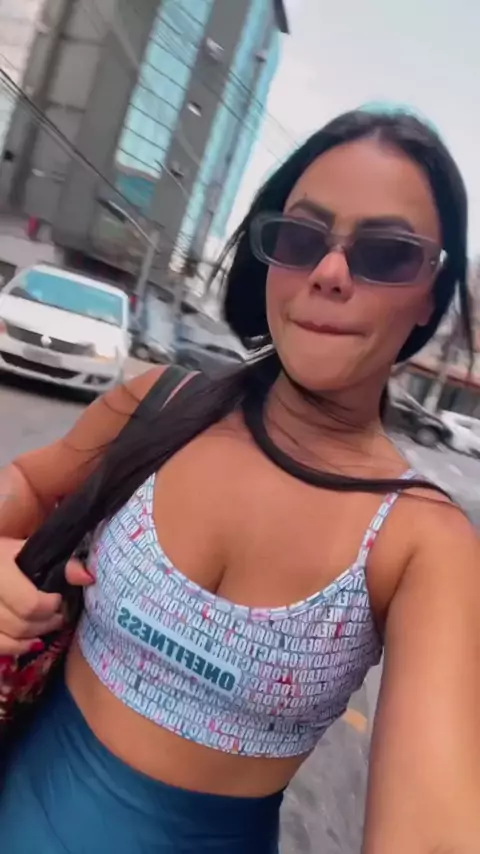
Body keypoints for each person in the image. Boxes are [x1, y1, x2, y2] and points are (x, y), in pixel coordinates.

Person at [0, 109, 479, 854]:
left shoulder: (423, 544)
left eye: (385, 254)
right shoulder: (161, 403)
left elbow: (436, 829)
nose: (329, 273)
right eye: (302, 239)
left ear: (429, 293)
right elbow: (29, 485)